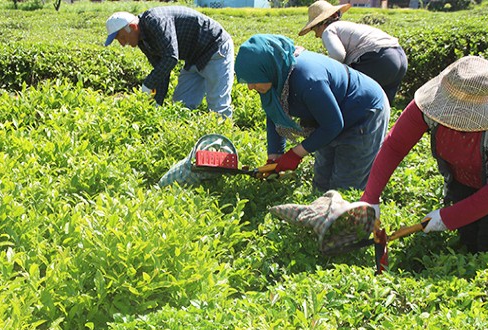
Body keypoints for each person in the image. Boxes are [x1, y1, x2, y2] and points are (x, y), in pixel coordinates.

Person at [361, 56, 488, 254]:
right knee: (468, 239)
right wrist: (370, 198)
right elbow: (395, 146)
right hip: (467, 172)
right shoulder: (429, 104)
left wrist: (447, 217)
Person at [234, 34, 389, 191]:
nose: (250, 87)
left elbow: (333, 125)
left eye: (254, 81)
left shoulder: (308, 79)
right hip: (328, 117)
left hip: (363, 112)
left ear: (268, 69)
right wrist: (275, 156)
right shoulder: (274, 76)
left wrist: (295, 154)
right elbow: (274, 115)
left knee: (345, 185)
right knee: (322, 180)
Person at [104, 7, 234, 118]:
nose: (122, 44)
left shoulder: (155, 21)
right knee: (181, 105)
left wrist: (147, 84)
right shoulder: (142, 41)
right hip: (193, 58)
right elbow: (162, 70)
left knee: (218, 105)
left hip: (214, 48)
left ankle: (222, 144)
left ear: (132, 27)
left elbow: (171, 58)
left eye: (121, 37)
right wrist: (156, 104)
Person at [298, 0, 407, 104]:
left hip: (379, 60)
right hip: (400, 56)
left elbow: (338, 56)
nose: (317, 35)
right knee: (382, 106)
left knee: (352, 98)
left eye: (314, 29)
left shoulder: (329, 30)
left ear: (321, 23)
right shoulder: (347, 26)